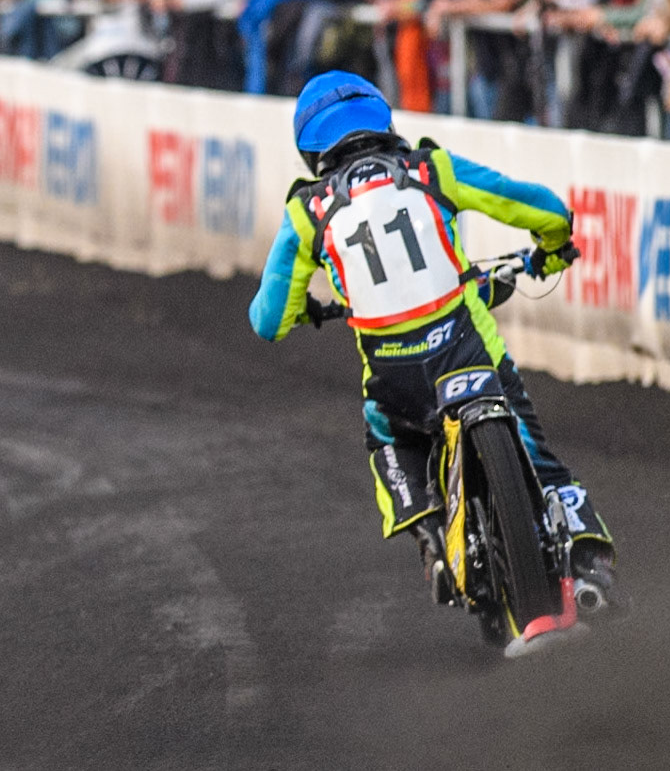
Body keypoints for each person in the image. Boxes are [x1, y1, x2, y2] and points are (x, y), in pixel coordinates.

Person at [247, 72, 617, 633]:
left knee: (386, 433)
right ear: (385, 122)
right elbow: (539, 208)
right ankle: (588, 558)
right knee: (538, 453)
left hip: (396, 378)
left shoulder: (308, 212)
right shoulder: (429, 168)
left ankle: (426, 533)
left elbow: (267, 321)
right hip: (468, 350)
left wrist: (307, 307)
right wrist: (552, 245)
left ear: (310, 150)